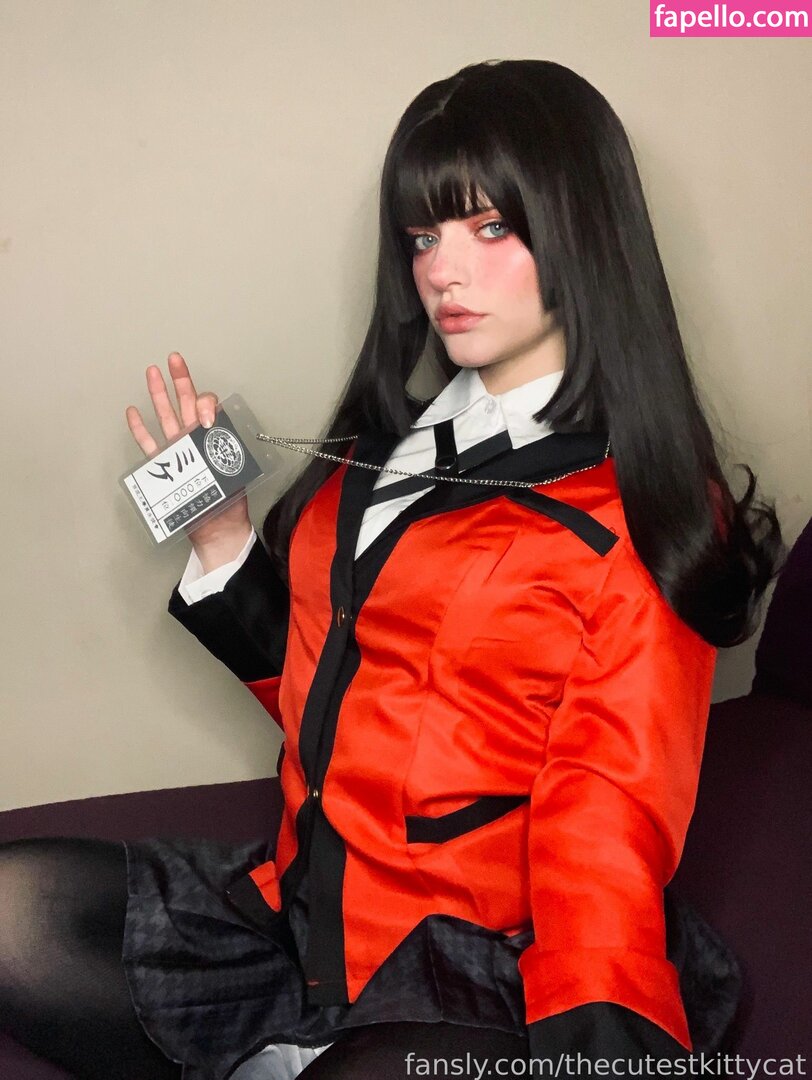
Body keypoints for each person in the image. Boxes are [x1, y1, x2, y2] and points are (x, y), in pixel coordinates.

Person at [0, 58, 784, 1080]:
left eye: (490, 228)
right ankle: (284, 1042)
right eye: (423, 236)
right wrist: (222, 538)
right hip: (305, 916)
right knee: (17, 913)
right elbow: (340, 696)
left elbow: (608, 814)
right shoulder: (378, 452)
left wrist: (599, 1047)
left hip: (475, 961)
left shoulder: (633, 511)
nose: (443, 272)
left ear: (582, 230)